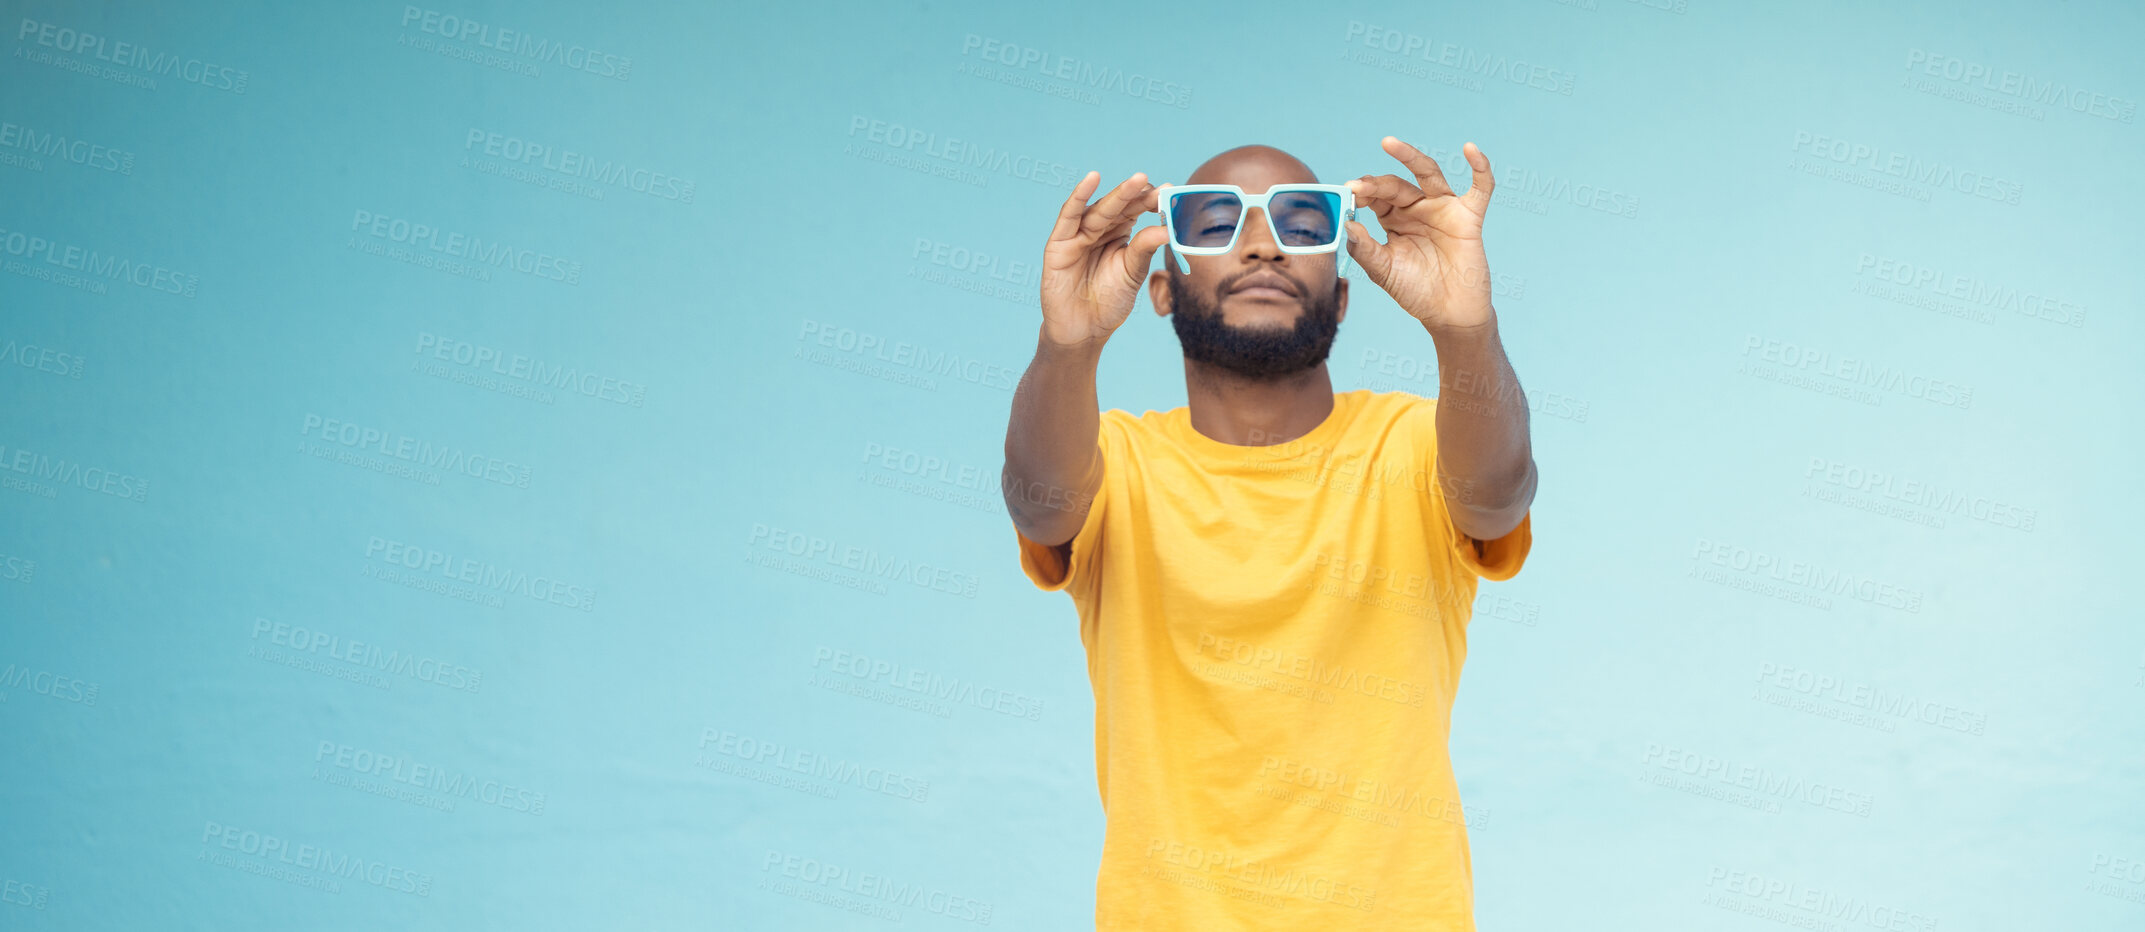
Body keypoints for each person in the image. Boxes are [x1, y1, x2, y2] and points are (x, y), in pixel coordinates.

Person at [999, 136, 1538, 931]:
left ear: (1344, 295)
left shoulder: (1414, 445)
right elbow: (1039, 504)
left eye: (1300, 224)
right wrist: (1067, 346)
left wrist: (1464, 328)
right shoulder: (1116, 460)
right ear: (1159, 287)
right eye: (1215, 224)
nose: (1260, 243)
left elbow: (1497, 495)